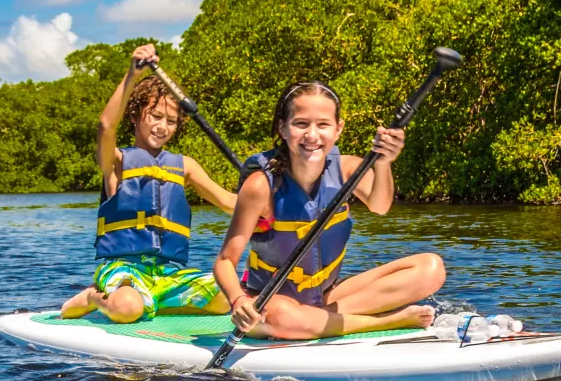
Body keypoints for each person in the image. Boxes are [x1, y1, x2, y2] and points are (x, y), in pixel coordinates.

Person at [213, 81, 445, 340]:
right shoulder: (260, 186)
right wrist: (238, 301)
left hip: (326, 296)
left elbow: (380, 206)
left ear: (338, 129)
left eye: (323, 124)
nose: (312, 135)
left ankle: (315, 321)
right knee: (281, 316)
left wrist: (383, 163)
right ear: (283, 128)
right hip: (271, 303)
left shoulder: (348, 169)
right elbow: (224, 261)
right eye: (301, 124)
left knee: (431, 268)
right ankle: (387, 321)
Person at [61, 44, 235, 323]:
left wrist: (275, 197)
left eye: (171, 121)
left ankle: (150, 304)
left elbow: (230, 203)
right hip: (123, 270)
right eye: (155, 116)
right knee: (127, 308)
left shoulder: (185, 166)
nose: (162, 127)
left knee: (227, 295)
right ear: (134, 116)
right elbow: (105, 126)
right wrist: (132, 75)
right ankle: (95, 297)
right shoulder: (117, 162)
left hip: (167, 274)